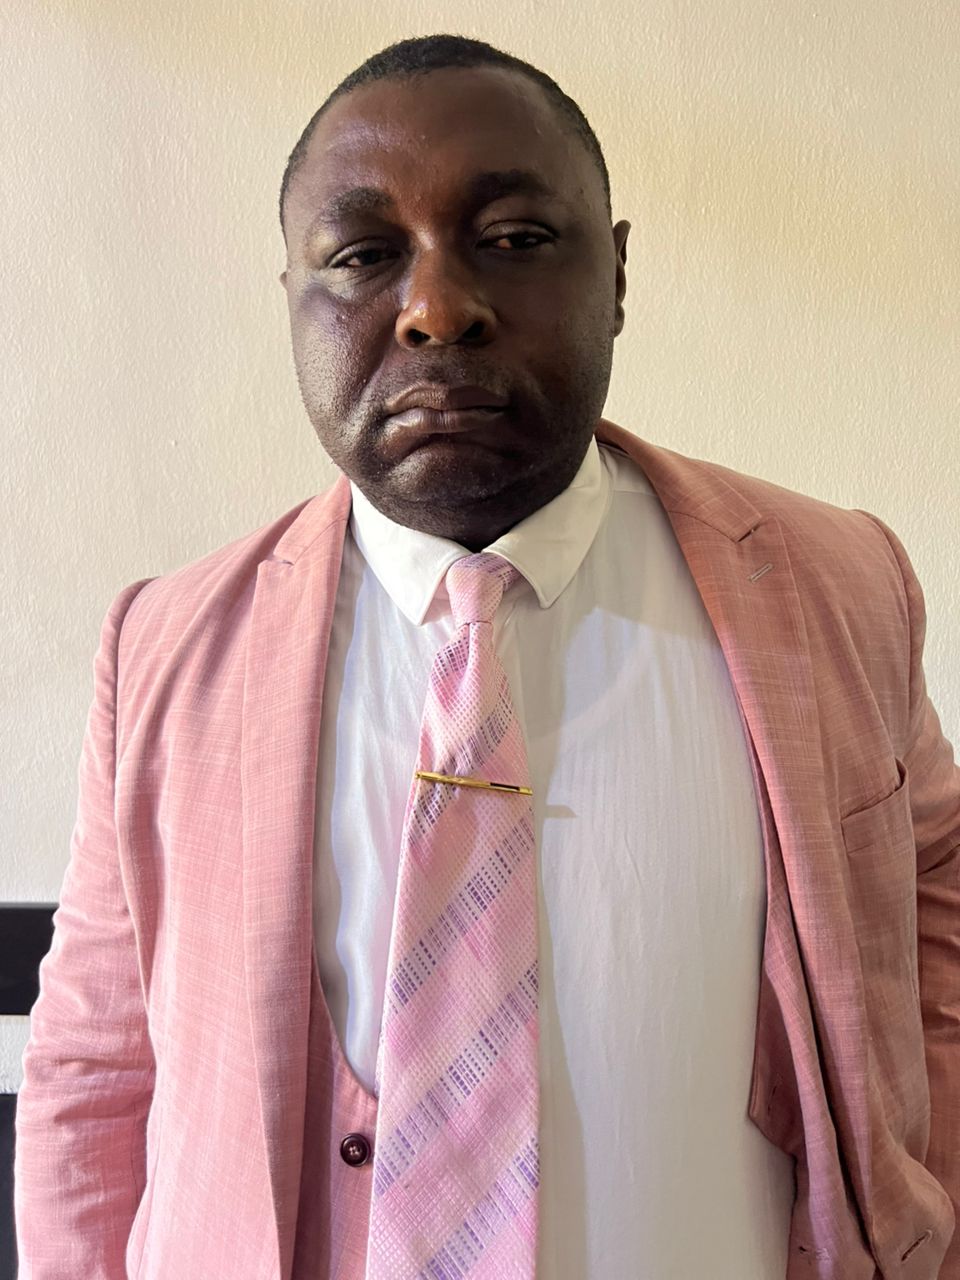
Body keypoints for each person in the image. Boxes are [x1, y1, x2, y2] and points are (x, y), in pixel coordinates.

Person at [13, 32, 959, 1280]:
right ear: (293, 299)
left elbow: (933, 919)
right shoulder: (165, 647)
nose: (436, 308)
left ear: (616, 275)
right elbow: (94, 1067)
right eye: (364, 255)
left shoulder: (839, 583)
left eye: (513, 238)